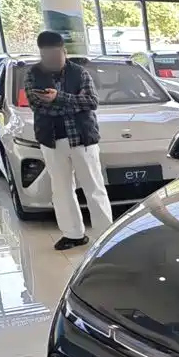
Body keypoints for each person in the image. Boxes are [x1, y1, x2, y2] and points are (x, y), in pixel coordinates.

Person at [26, 30, 112, 250]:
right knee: (61, 190)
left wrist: (58, 98)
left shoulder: (80, 73)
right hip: (52, 141)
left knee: (94, 188)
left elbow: (91, 102)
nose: (52, 60)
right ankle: (73, 234)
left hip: (83, 139)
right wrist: (72, 103)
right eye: (47, 56)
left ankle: (105, 236)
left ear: (64, 52)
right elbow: (37, 106)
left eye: (56, 55)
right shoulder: (33, 74)